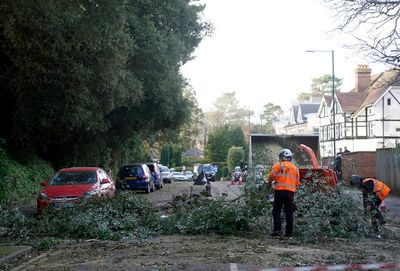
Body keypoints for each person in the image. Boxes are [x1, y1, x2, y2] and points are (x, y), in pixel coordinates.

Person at [267, 149, 300, 237]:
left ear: (283, 157)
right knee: (289, 212)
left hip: (280, 191)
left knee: (276, 211)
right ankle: (289, 233)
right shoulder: (295, 168)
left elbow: (271, 176)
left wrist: (269, 183)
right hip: (290, 193)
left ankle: (277, 230)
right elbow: (297, 183)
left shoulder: (278, 165)